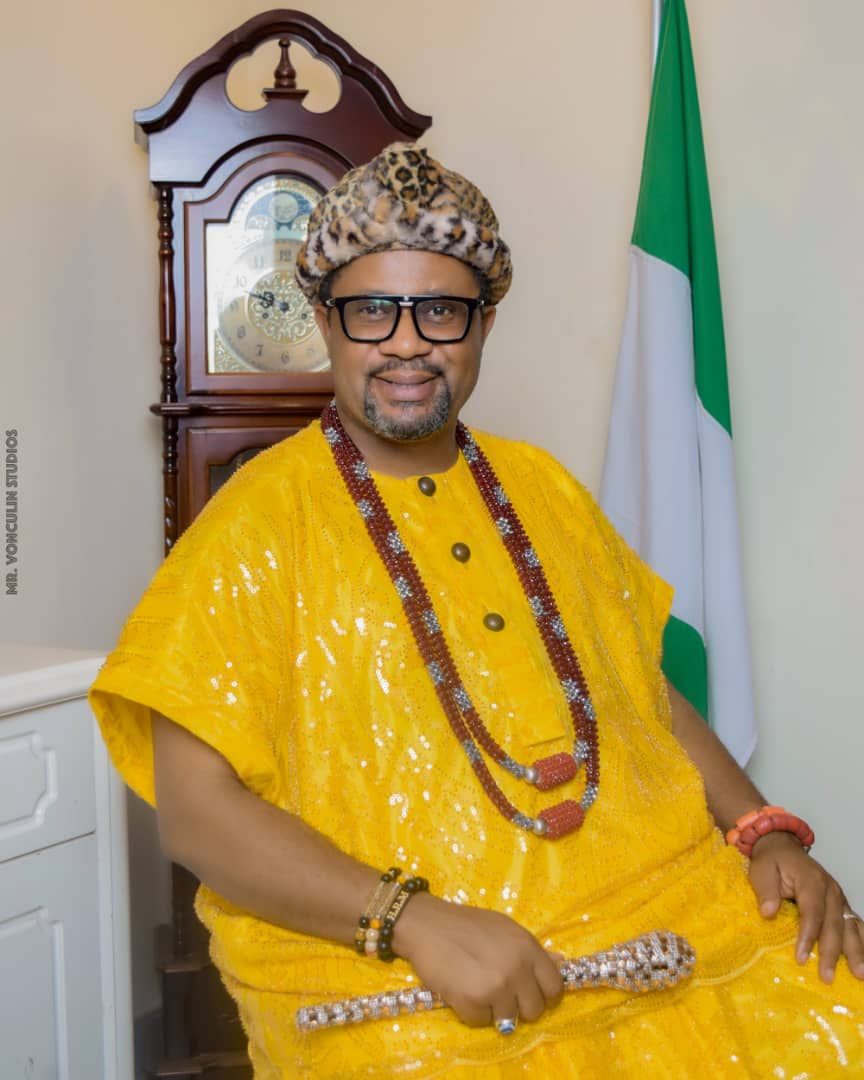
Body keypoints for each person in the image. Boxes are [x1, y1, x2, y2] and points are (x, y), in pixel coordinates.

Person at [90, 144, 864, 1078]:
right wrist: (410, 921)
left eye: (440, 311)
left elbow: (640, 693)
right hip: (393, 970)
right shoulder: (252, 526)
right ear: (327, 322)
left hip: (664, 917)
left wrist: (761, 829)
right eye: (371, 310)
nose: (406, 343)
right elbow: (195, 815)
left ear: (484, 323)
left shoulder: (542, 487)